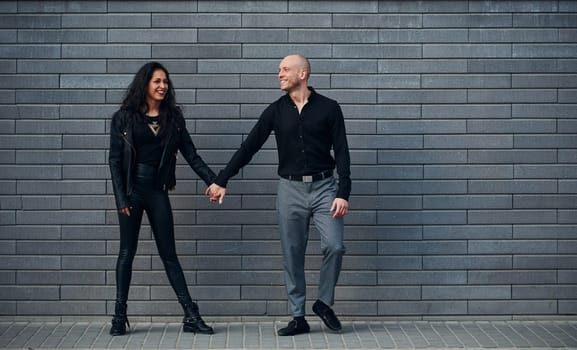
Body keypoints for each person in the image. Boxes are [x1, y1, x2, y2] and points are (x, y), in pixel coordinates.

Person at [207, 54, 351, 336]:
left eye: (285, 69)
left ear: (303, 73)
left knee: (335, 245)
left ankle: (323, 302)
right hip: (290, 190)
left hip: (325, 188)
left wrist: (343, 192)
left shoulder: (330, 108)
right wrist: (222, 180)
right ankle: (298, 316)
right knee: (292, 253)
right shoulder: (275, 111)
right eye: (279, 70)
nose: (280, 74)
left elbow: (342, 151)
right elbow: (249, 147)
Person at [108, 62, 215, 336]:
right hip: (132, 192)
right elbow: (115, 161)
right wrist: (121, 198)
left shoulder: (173, 118)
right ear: (144, 84)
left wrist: (213, 181)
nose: (162, 86)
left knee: (169, 255)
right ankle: (119, 316)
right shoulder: (124, 118)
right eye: (157, 81)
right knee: (126, 253)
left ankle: (190, 315)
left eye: (165, 82)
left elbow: (191, 154)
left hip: (158, 192)